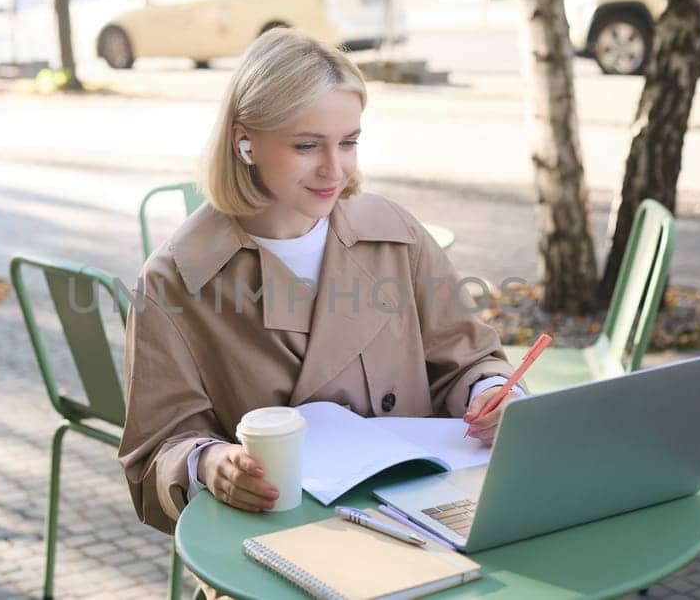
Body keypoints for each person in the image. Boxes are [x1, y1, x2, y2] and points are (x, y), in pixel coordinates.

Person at [117, 29, 526, 534]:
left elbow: (465, 360)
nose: (334, 169)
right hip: (276, 535)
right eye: (307, 145)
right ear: (243, 141)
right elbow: (158, 448)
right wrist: (209, 466)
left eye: (349, 143)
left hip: (425, 512)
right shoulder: (175, 279)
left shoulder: (395, 233)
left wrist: (492, 394)